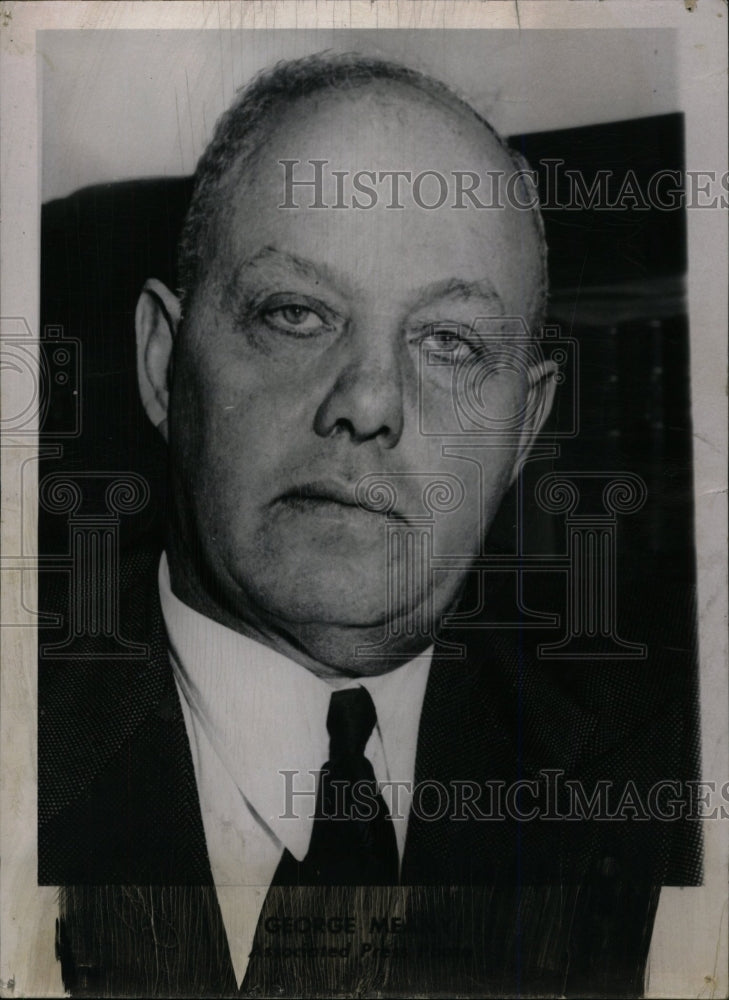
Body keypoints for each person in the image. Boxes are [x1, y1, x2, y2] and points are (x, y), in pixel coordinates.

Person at [39, 52, 701, 998]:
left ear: (523, 430)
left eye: (450, 343)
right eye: (297, 313)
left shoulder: (666, 779)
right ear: (161, 364)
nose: (369, 401)